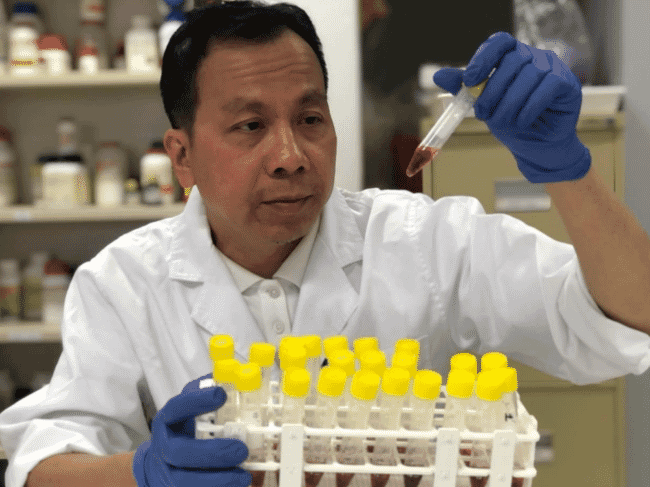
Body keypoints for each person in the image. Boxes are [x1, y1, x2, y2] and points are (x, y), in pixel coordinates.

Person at [2, 1, 650, 486]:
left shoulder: (425, 241)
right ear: (182, 154)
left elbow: (631, 317)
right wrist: (139, 472)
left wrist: (569, 170)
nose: (290, 155)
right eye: (250, 125)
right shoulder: (122, 283)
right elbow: (39, 459)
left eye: (310, 119)